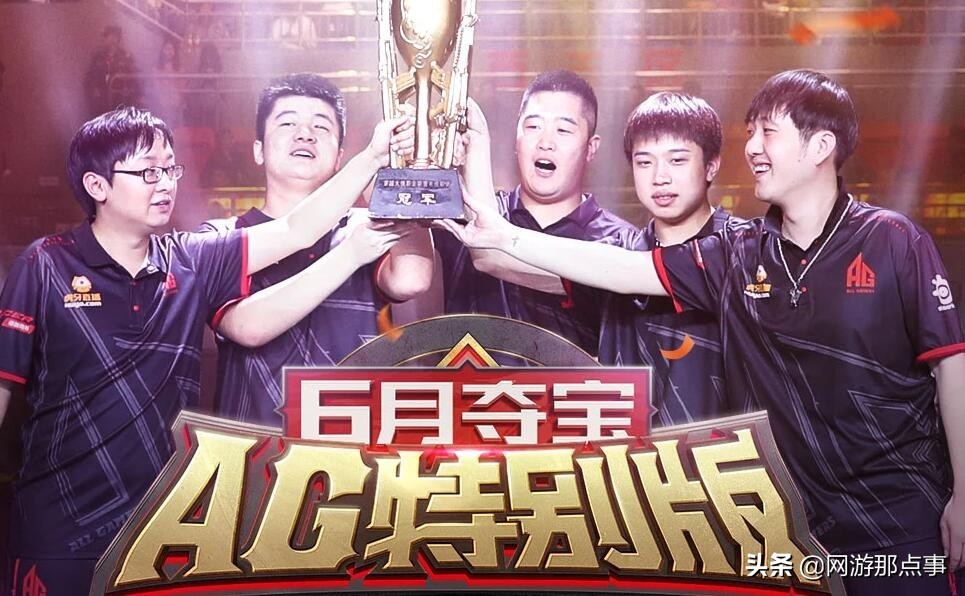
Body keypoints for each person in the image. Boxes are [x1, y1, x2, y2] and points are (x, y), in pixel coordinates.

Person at [440, 69, 965, 594]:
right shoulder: (738, 254)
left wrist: (964, 494)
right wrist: (500, 224)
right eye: (751, 133)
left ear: (820, 147)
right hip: (785, 524)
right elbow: (623, 270)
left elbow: (950, 362)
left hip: (898, 518)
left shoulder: (892, 239)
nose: (752, 148)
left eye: (768, 133)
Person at [0, 104, 414, 593]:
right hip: (57, 530)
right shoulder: (45, 265)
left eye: (170, 169)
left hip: (165, 527)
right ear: (97, 186)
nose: (165, 184)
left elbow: (295, 230)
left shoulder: (190, 260)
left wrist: (373, 156)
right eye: (148, 172)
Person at [201, 73, 434, 426]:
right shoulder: (221, 238)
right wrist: (350, 253)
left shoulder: (362, 225)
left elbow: (412, 279)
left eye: (321, 126)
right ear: (258, 150)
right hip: (257, 450)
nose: (305, 134)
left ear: (340, 157)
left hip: (351, 448)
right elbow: (247, 328)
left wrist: (398, 173)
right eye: (287, 123)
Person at [436, 70, 636, 357]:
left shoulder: (621, 243)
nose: (545, 142)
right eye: (533, 126)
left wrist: (478, 144)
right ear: (516, 139)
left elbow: (490, 256)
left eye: (563, 130)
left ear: (591, 148)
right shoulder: (464, 212)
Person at [594, 91, 737, 427]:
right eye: (644, 162)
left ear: (711, 165)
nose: (659, 177)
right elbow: (501, 260)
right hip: (625, 455)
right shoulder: (618, 251)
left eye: (677, 160)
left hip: (726, 453)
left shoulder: (745, 250)